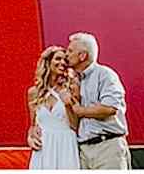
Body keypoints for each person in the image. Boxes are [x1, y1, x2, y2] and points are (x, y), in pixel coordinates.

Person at [27, 33, 130, 169]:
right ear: (48, 62)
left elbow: (110, 109)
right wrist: (31, 134)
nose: (65, 60)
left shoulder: (102, 76)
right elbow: (34, 124)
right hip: (76, 150)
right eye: (58, 58)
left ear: (82, 56)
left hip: (103, 146)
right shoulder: (76, 80)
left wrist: (73, 106)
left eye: (69, 52)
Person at [27, 46, 81, 169]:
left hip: (66, 145)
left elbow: (75, 126)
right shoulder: (34, 92)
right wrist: (30, 138)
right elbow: (32, 126)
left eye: (65, 60)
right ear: (48, 62)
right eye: (58, 59)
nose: (62, 63)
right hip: (43, 148)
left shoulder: (72, 88)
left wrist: (67, 103)